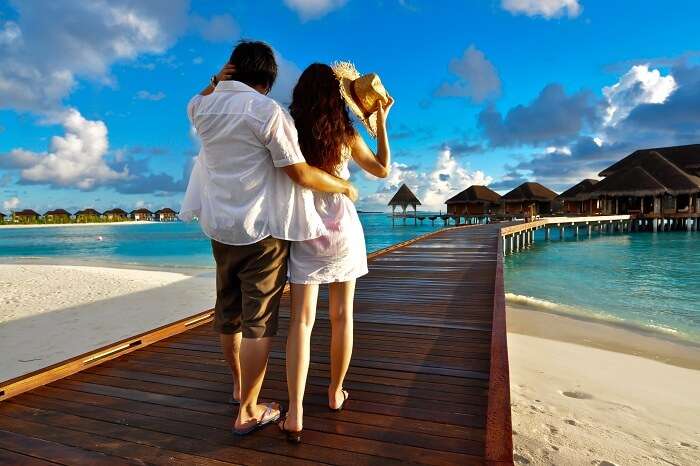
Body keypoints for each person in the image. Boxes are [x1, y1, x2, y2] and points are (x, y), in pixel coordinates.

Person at [179, 41, 359, 435]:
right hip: (262, 231)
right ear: (267, 80)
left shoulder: (200, 107)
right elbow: (297, 172)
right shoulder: (268, 112)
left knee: (230, 315)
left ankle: (237, 386)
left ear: (232, 69)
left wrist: (214, 81)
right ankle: (248, 409)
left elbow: (201, 97)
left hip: (220, 228)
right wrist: (343, 188)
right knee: (258, 322)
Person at [278, 62, 393, 443]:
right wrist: (381, 124)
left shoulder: (289, 128)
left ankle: (295, 411)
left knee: (301, 322)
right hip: (343, 228)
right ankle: (334, 393)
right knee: (342, 317)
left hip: (304, 227)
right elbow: (381, 170)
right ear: (337, 96)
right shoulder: (345, 133)